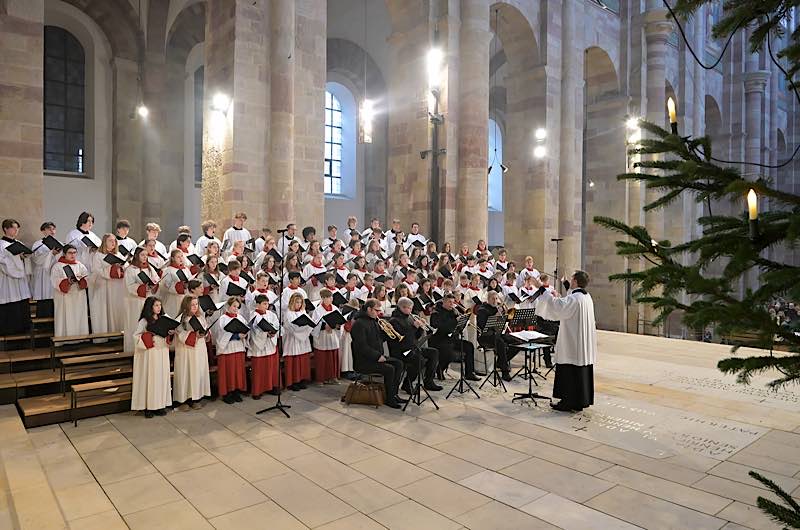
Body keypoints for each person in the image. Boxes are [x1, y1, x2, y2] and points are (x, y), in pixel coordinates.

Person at [532, 270, 597, 412]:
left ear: (576, 281)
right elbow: (568, 300)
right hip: (581, 343)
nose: (571, 281)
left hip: (572, 344)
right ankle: (579, 401)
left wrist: (541, 288)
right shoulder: (586, 297)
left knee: (569, 370)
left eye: (572, 280)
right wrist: (565, 284)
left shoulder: (575, 299)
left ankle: (567, 402)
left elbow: (557, 306)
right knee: (580, 371)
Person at [349, 299, 405, 409]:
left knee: (399, 363)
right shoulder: (359, 324)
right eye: (376, 310)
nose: (379, 313)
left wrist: (388, 332)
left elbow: (379, 340)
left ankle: (394, 394)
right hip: (364, 361)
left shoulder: (374, 321)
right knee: (390, 369)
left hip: (376, 357)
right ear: (369, 309)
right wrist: (377, 356)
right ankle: (389, 399)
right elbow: (361, 346)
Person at [389, 297, 442, 392]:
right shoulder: (394, 321)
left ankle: (428, 381)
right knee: (419, 361)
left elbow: (416, 337)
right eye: (409, 308)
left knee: (434, 352)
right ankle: (407, 384)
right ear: (402, 307)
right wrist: (414, 327)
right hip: (401, 350)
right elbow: (403, 339)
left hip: (412, 348)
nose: (411, 310)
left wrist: (421, 327)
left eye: (411, 308)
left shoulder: (410, 317)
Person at [132, 296, 173, 418]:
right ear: (150, 307)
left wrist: (170, 333)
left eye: (160, 305)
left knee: (161, 378)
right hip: (150, 353)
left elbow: (169, 335)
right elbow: (136, 336)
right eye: (156, 305)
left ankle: (160, 405)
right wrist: (149, 335)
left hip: (162, 351)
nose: (159, 308)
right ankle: (148, 407)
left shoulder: (164, 319)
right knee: (150, 378)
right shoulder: (144, 321)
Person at [429, 294, 480, 381]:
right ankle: (440, 368)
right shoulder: (436, 313)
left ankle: (469, 373)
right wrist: (454, 321)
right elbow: (439, 327)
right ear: (444, 302)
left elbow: (457, 327)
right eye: (449, 302)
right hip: (440, 339)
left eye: (453, 302)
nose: (451, 304)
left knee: (469, 346)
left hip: (452, 339)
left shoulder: (454, 311)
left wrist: (462, 321)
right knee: (450, 352)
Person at [173, 295, 211, 410]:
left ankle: (196, 398)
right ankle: (183, 400)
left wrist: (205, 334)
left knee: (197, 372)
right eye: (192, 305)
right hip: (186, 351)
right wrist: (194, 335)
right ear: (186, 306)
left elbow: (206, 329)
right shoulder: (180, 319)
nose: (195, 307)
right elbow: (180, 334)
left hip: (199, 350)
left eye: (196, 304)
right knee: (186, 373)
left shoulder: (201, 317)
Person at [124, 247, 160, 352]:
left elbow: (156, 279)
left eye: (146, 255)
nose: (145, 257)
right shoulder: (131, 269)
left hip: (148, 300)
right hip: (135, 302)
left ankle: (148, 346)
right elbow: (129, 286)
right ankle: (133, 348)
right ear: (136, 256)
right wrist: (143, 288)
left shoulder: (150, 268)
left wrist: (154, 285)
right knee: (136, 324)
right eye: (142, 255)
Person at [213, 297, 249, 403]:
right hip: (227, 350)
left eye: (237, 307)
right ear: (228, 306)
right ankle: (227, 394)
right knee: (228, 372)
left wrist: (245, 334)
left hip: (238, 348)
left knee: (237, 372)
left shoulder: (240, 318)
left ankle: (236, 392)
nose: (235, 309)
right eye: (234, 306)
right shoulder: (222, 319)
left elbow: (246, 329)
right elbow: (220, 335)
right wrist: (236, 336)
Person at [89, 234, 126, 334]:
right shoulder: (98, 255)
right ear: (104, 242)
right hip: (103, 287)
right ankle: (104, 335)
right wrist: (111, 268)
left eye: (114, 241)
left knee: (115, 310)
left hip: (117, 287)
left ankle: (117, 333)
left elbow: (125, 266)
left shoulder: (118, 254)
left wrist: (121, 268)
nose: (113, 242)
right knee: (104, 311)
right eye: (110, 240)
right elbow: (96, 270)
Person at [476, 291, 516, 381]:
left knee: (516, 341)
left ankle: (500, 362)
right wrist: (495, 316)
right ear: (488, 299)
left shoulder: (497, 308)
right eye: (492, 299)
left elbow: (504, 323)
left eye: (496, 298)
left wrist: (505, 317)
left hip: (497, 333)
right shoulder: (482, 309)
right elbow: (482, 326)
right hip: (485, 336)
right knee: (500, 343)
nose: (495, 301)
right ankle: (505, 371)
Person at [50, 245, 89, 337]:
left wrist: (81, 280)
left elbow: (87, 278)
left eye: (74, 253)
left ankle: (80, 337)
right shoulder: (57, 266)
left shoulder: (80, 265)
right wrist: (67, 281)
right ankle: (64, 338)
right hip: (64, 297)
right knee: (65, 317)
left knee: (78, 315)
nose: (73, 255)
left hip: (78, 295)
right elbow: (55, 281)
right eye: (70, 253)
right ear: (64, 254)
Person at [248, 293, 281, 398]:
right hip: (259, 346)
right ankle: (258, 390)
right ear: (258, 304)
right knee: (259, 369)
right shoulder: (253, 315)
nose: (266, 306)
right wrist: (265, 333)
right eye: (264, 304)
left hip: (270, 344)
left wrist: (273, 332)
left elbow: (277, 325)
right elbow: (253, 331)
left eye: (267, 304)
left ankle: (272, 387)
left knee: (271, 367)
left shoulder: (271, 314)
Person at [310, 289, 342, 384]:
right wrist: (324, 326)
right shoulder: (318, 310)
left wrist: (337, 325)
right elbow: (314, 324)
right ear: (323, 298)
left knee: (332, 357)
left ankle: (333, 377)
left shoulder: (335, 308)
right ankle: (321, 378)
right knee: (322, 358)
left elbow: (340, 320)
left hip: (333, 335)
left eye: (331, 297)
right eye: (328, 297)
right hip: (322, 337)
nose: (330, 299)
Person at [283, 292, 313, 391]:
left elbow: (310, 325)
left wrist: (304, 327)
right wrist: (301, 328)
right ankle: (293, 382)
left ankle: (301, 379)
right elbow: (289, 327)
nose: (299, 304)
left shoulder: (303, 312)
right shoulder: (288, 313)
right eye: (297, 302)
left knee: (302, 360)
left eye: (300, 302)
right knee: (294, 361)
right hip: (292, 340)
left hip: (303, 341)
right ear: (292, 302)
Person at [29, 221, 59, 318]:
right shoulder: (38, 244)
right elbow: (36, 259)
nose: (52, 231)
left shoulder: (58, 243)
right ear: (43, 231)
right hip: (42, 274)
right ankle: (42, 323)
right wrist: (51, 254)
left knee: (54, 299)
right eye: (49, 229)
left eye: (53, 229)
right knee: (44, 299)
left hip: (54, 273)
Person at [161, 249, 191, 318]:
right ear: (173, 258)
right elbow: (166, 285)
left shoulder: (185, 269)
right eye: (178, 257)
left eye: (182, 256)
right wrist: (179, 286)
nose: (181, 258)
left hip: (184, 298)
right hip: (173, 299)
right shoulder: (168, 270)